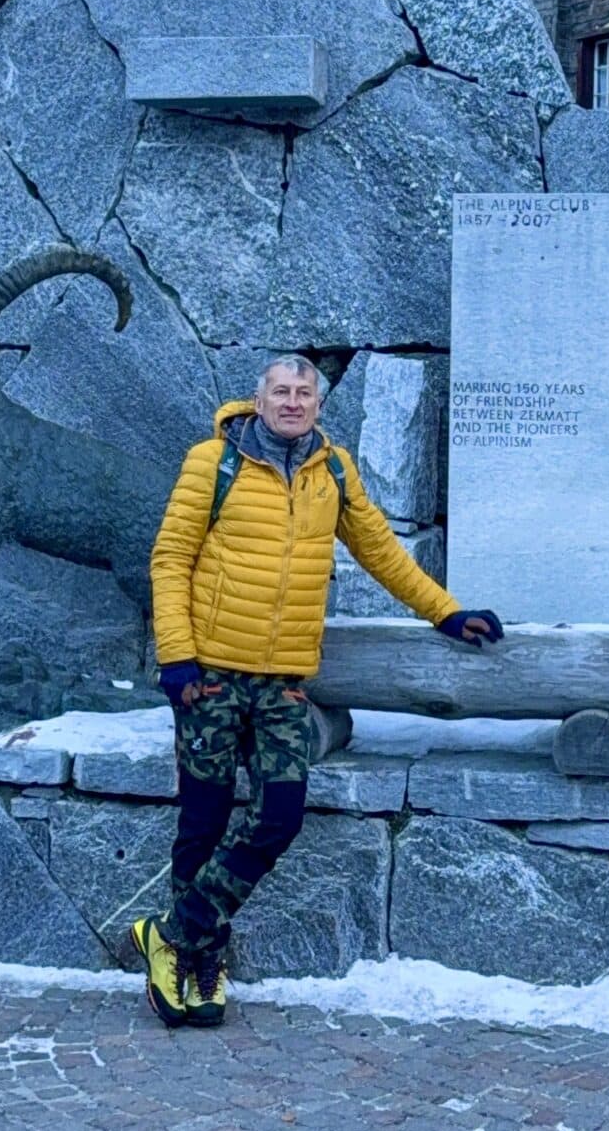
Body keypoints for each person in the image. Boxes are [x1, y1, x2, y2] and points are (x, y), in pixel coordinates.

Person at [132, 355, 502, 1028]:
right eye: (281, 391)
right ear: (258, 400)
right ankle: (199, 962)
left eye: (305, 393)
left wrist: (445, 612)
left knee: (280, 816)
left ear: (319, 406)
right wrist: (177, 658)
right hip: (209, 677)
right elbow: (170, 558)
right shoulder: (212, 462)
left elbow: (381, 551)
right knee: (203, 822)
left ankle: (175, 932)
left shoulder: (333, 471)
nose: (293, 401)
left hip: (282, 682)